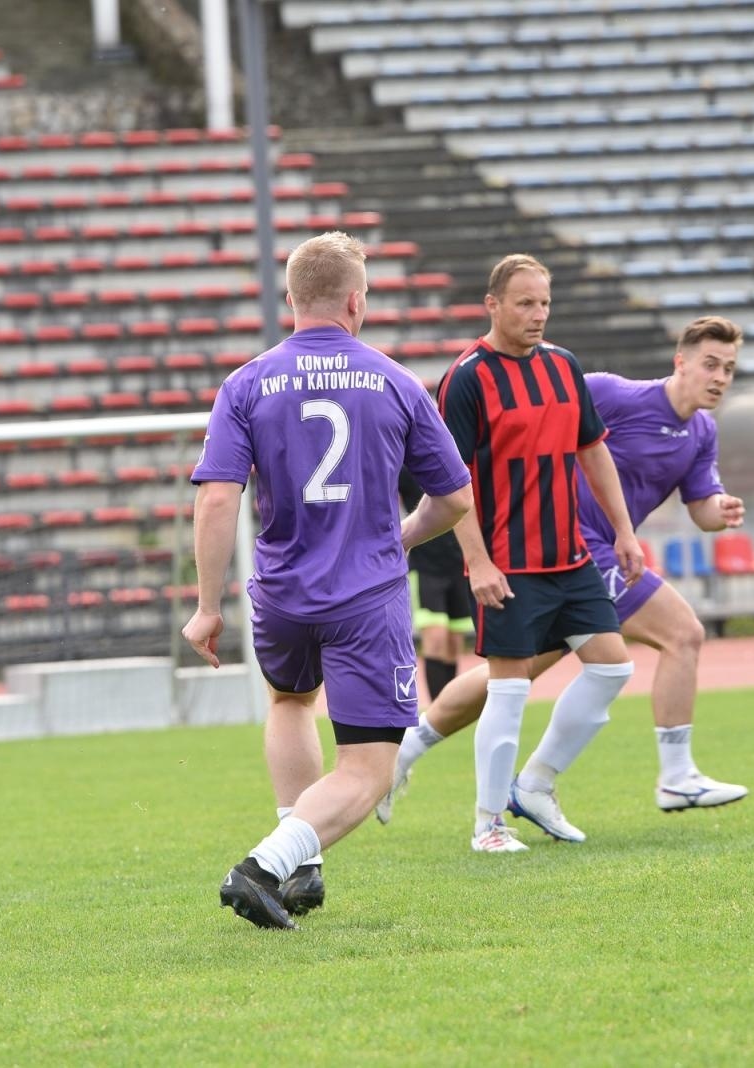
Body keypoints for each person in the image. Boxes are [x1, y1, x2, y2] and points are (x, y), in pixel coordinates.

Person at [184, 231, 473, 929]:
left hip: (280, 592)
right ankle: (265, 866)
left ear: (291, 300)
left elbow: (218, 497)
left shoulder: (246, 382)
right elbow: (456, 498)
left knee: (289, 700)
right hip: (363, 596)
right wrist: (400, 536)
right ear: (356, 300)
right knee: (370, 767)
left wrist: (204, 606)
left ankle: (302, 864)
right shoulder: (396, 380)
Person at [379, 316, 753, 825]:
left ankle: (407, 755)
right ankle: (674, 776)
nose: (720, 377)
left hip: (594, 554)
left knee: (513, 674)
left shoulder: (701, 431)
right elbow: (554, 418)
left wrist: (722, 510)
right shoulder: (614, 393)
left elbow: (702, 507)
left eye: (729, 368)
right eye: (710, 364)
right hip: (571, 544)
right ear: (680, 362)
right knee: (682, 633)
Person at [425, 253, 644, 854]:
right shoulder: (467, 377)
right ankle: (487, 824)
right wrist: (478, 562)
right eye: (525, 302)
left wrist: (624, 532)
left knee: (611, 666)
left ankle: (537, 784)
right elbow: (452, 481)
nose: (538, 314)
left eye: (544, 302)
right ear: (492, 305)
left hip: (569, 556)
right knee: (510, 689)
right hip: (509, 561)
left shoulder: (563, 366)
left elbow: (593, 451)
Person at [398, 467, 475, 704]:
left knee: (454, 642)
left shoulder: (454, 461)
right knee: (435, 638)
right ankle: (436, 712)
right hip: (426, 565)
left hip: (458, 563)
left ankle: (447, 713)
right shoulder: (405, 466)